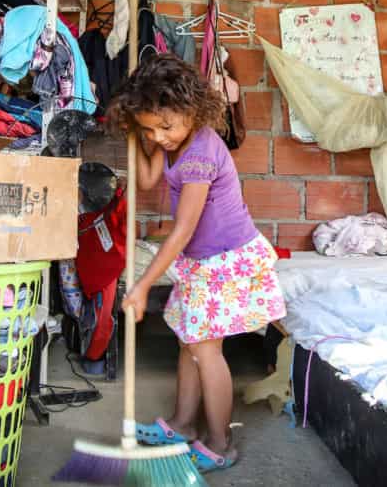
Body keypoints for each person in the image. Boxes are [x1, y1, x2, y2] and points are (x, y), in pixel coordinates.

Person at [111, 54, 286, 473]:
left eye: (165, 127)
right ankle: (181, 425)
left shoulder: (202, 151)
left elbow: (183, 230)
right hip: (201, 261)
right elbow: (150, 178)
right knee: (189, 342)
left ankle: (220, 443)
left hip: (226, 260)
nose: (161, 136)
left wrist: (140, 285)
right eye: (150, 127)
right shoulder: (170, 140)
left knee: (206, 350)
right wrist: (134, 138)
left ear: (191, 109)